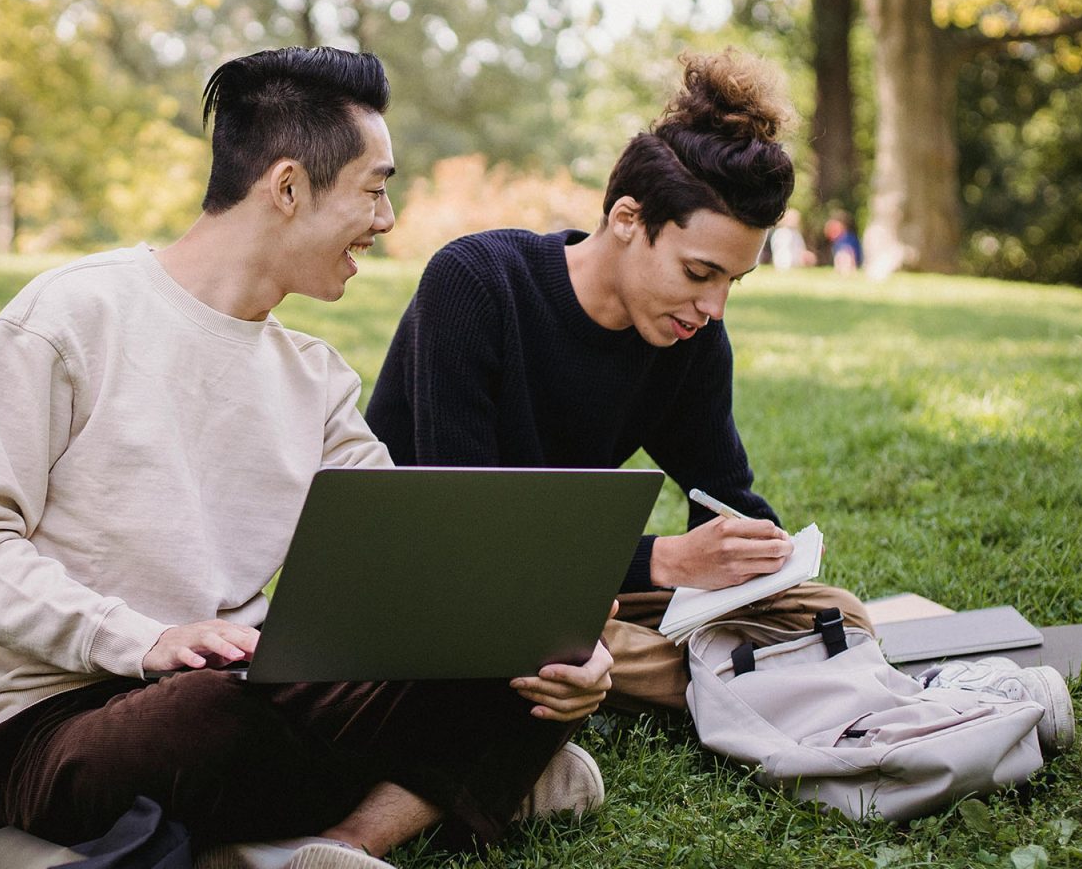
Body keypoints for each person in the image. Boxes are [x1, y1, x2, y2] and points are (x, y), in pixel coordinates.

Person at [0, 46, 613, 869]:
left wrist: (556, 648)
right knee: (201, 721)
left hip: (252, 677)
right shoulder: (67, 319)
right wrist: (142, 640)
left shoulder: (314, 377)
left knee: (519, 664)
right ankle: (453, 785)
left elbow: (420, 567)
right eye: (376, 187)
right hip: (69, 719)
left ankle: (339, 846)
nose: (387, 221)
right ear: (287, 187)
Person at [364, 50, 871, 715]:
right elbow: (468, 537)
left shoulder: (690, 338)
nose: (714, 308)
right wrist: (665, 562)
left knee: (837, 613)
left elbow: (724, 497)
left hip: (567, 589)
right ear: (628, 220)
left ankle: (674, 668)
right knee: (524, 632)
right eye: (699, 273)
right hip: (437, 583)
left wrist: (756, 554)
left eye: (731, 282)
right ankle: (725, 675)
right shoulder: (478, 284)